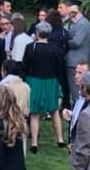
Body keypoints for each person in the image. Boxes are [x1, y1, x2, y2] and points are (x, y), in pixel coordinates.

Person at [23, 22, 65, 152]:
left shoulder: (30, 47)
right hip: (51, 81)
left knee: (34, 113)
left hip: (34, 81)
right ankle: (60, 139)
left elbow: (25, 66)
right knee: (54, 111)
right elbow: (59, 68)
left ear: (36, 33)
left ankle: (34, 143)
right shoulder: (55, 49)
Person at [65, 3, 90, 105]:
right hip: (75, 61)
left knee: (78, 91)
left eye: (73, 12)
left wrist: (64, 42)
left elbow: (76, 42)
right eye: (70, 12)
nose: (71, 14)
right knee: (76, 91)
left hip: (77, 62)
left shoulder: (83, 24)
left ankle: (80, 111)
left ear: (79, 12)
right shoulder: (74, 23)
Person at [46, 9, 71, 107]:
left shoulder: (50, 34)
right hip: (62, 59)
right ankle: (65, 103)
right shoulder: (63, 32)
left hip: (51, 61)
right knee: (63, 83)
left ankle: (52, 104)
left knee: (52, 83)